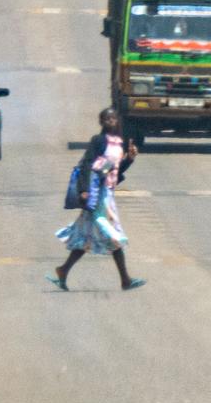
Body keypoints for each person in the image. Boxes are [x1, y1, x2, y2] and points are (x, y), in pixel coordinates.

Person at [51, 107, 144, 292]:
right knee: (112, 234)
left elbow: (115, 171)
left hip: (107, 193)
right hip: (96, 195)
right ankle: (125, 280)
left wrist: (130, 159)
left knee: (87, 236)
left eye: (114, 118)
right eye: (107, 119)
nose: (111, 121)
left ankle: (63, 270)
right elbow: (87, 165)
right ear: (101, 122)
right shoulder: (98, 141)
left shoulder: (119, 143)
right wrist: (84, 190)